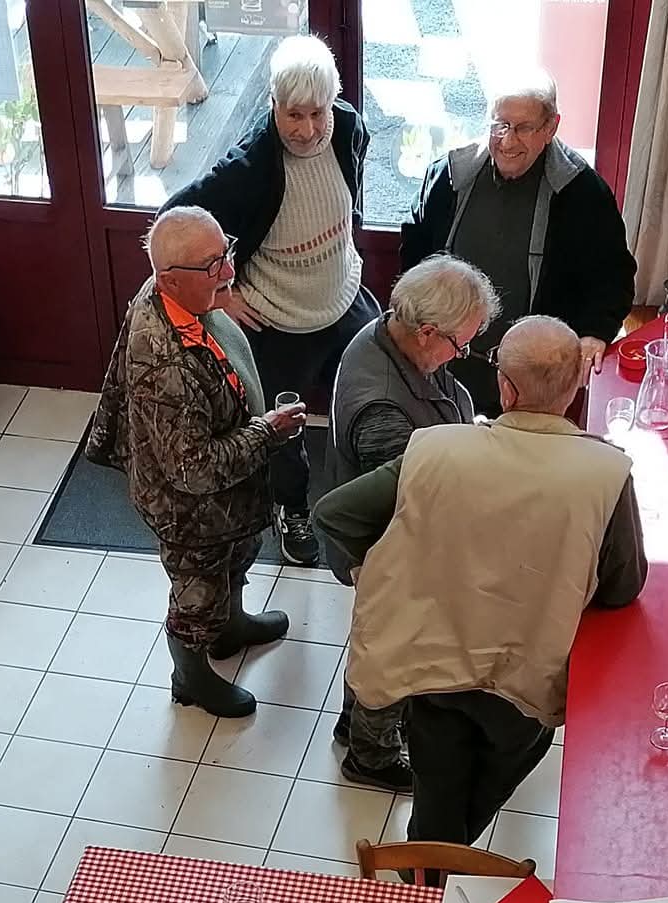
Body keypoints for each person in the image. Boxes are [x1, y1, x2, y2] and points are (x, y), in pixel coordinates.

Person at [313, 315, 646, 849]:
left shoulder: (434, 449)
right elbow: (623, 586)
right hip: (525, 675)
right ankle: (444, 863)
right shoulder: (604, 473)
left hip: (434, 659)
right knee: (487, 786)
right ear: (577, 385)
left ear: (505, 388)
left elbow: (335, 514)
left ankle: (431, 866)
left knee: (435, 781)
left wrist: (378, 567)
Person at [85, 206, 307, 719]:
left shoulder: (181, 300)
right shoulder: (164, 363)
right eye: (213, 266)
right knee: (196, 597)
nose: (229, 271)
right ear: (170, 279)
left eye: (224, 253)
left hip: (226, 501)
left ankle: (230, 628)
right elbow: (196, 471)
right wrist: (266, 431)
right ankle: (191, 677)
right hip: (191, 512)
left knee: (237, 559)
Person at [166, 36, 377, 568]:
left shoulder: (348, 125)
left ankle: (369, 503)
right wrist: (221, 294)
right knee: (282, 426)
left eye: (317, 113)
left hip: (343, 297)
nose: (307, 130)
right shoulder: (250, 166)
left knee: (375, 395)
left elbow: (349, 180)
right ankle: (292, 508)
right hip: (275, 318)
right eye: (293, 115)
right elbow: (175, 221)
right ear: (273, 104)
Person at [318, 254, 500, 792]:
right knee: (395, 649)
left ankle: (355, 724)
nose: (461, 356)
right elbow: (408, 505)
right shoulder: (384, 413)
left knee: (376, 637)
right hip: (387, 549)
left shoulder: (386, 335)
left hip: (382, 538)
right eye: (459, 345)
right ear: (425, 332)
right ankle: (371, 756)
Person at [399, 69, 636, 415]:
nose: (508, 142)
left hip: (531, 377)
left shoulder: (583, 193)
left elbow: (613, 276)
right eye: (500, 125)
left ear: (551, 127)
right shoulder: (448, 176)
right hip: (444, 366)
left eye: (524, 128)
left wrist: (595, 332)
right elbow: (415, 253)